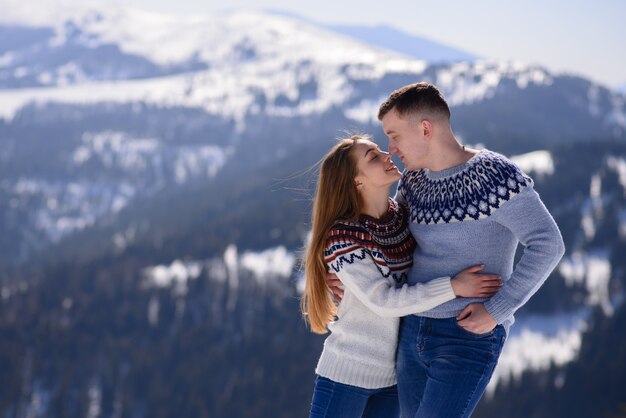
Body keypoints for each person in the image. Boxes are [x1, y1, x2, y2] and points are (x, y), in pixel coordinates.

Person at [330, 82, 565, 418]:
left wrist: (497, 310)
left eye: (394, 135)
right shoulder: (413, 181)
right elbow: (389, 241)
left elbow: (548, 243)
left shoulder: (496, 177)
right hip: (410, 330)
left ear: (425, 128)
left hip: (466, 334)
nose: (390, 148)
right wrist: (346, 275)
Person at [302, 134, 503, 418]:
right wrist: (454, 286)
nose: (387, 154)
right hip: (346, 374)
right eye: (373, 157)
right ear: (356, 182)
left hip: (393, 381)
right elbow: (384, 300)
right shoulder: (343, 235)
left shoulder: (401, 218)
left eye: (379, 149)